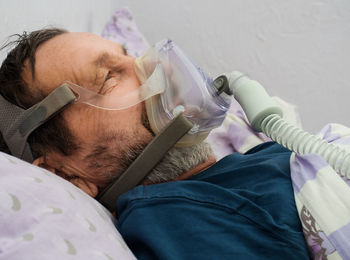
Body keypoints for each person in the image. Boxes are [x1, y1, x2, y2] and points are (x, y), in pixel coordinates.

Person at [0, 29, 309, 259]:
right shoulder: (173, 221)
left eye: (133, 58)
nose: (161, 69)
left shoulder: (256, 160)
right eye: (109, 76)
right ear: (65, 174)